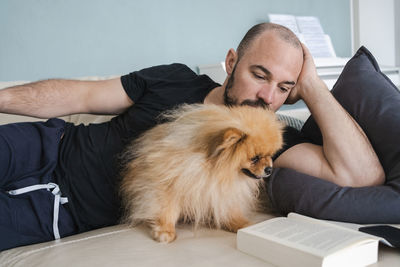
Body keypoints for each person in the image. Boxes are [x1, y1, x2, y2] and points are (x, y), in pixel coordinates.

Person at [0, 23, 384, 251]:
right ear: (231, 62)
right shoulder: (176, 77)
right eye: (260, 75)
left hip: (64, 206)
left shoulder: (271, 139)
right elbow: (81, 95)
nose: (267, 97)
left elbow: (362, 176)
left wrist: (314, 87)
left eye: (285, 87)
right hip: (48, 141)